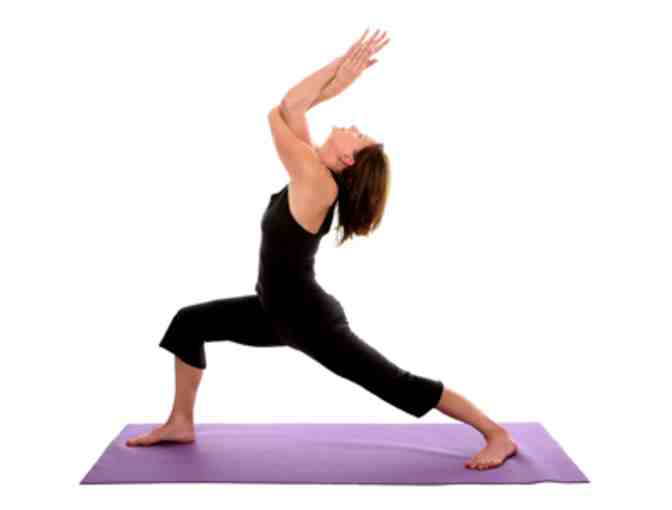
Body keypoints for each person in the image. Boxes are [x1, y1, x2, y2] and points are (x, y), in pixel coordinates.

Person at [126, 28, 518, 471]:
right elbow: (295, 108)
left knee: (397, 384)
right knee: (189, 323)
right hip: (272, 311)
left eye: (359, 136)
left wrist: (339, 71)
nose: (354, 127)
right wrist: (341, 78)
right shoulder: (313, 168)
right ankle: (180, 422)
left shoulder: (315, 180)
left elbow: (281, 110)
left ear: (348, 160)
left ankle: (497, 434)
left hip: (308, 321)